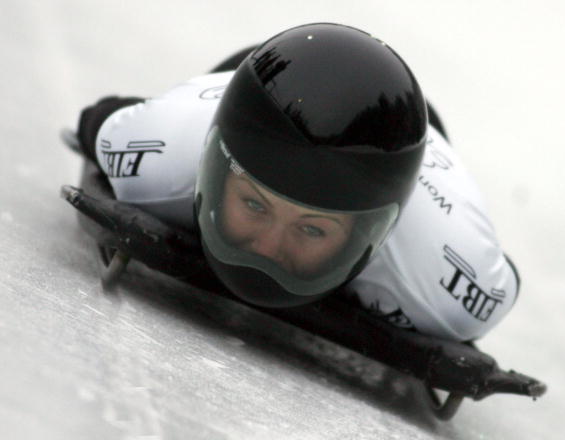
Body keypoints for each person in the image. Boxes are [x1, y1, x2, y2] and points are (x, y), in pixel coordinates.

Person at [75, 23, 520, 342]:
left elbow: (502, 279)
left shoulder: (449, 280)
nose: (268, 249)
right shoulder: (159, 148)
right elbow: (100, 120)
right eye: (254, 205)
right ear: (212, 167)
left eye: (312, 228)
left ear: (376, 230)